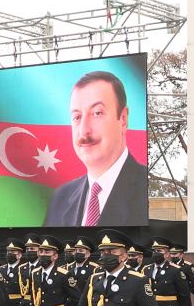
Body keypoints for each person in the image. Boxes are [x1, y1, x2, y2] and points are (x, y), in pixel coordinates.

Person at [42, 70, 150, 227]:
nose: (84, 130)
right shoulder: (61, 198)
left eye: (97, 113)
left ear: (123, 119)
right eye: (77, 117)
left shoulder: (145, 187)